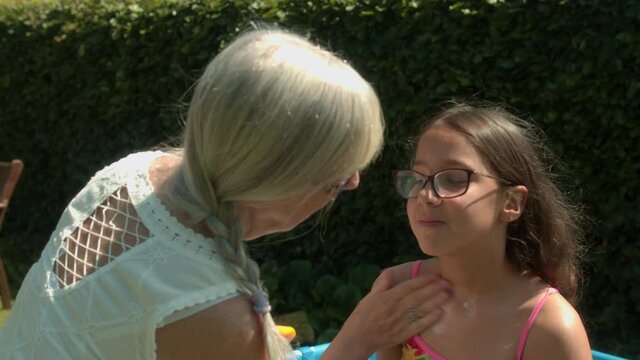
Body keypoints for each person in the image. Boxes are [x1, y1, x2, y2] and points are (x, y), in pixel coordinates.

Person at [0, 28, 451, 360]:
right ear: (276, 181)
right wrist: (361, 337)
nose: (353, 182)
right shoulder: (213, 310)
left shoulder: (130, 172)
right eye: (336, 178)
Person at [377, 102, 591, 360]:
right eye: (418, 178)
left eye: (454, 179)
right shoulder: (397, 291)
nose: (425, 196)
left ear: (511, 202)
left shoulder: (548, 328)